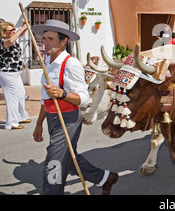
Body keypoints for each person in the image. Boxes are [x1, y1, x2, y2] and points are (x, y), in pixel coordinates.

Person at [31, 19, 118, 195]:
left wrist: (63, 94)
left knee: (54, 164)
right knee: (67, 159)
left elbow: (85, 99)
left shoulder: (71, 64)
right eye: (44, 38)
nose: (45, 43)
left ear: (64, 42)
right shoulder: (46, 62)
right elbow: (45, 98)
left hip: (68, 119)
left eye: (50, 39)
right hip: (51, 118)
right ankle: (104, 178)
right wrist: (39, 123)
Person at [0, 20, 30, 129]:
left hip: (15, 72)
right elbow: (11, 40)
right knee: (12, 97)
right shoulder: (2, 42)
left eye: (14, 29)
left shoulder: (13, 40)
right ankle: (11, 123)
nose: (13, 31)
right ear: (3, 32)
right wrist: (22, 28)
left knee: (20, 93)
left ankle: (21, 116)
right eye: (11, 30)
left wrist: (25, 26)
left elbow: (18, 36)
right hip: (7, 73)